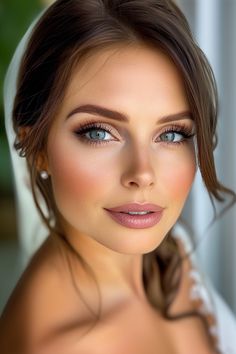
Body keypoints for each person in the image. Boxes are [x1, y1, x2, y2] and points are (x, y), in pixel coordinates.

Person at [1, 0, 236, 353]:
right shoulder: (53, 345)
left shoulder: (170, 254)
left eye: (171, 133)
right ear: (37, 146)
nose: (142, 174)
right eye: (98, 132)